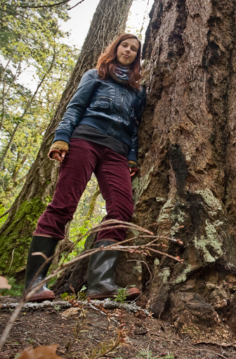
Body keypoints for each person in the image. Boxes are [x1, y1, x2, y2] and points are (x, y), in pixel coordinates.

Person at [24, 33, 146, 302]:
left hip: (117, 151)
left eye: (134, 49)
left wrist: (132, 158)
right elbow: (75, 107)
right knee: (63, 204)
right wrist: (62, 137)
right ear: (116, 48)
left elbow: (135, 127)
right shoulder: (95, 75)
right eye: (124, 45)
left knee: (122, 209)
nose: (128, 50)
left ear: (137, 57)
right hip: (85, 140)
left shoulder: (138, 91)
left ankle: (100, 285)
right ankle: (34, 286)